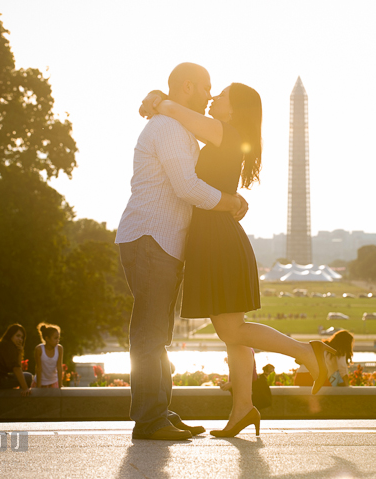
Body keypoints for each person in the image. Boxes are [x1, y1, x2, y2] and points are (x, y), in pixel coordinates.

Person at [140, 77, 336, 439]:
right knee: (234, 337)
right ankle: (243, 408)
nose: (214, 96)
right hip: (216, 238)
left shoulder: (222, 131)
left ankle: (310, 353)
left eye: (223, 95)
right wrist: (159, 102)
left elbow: (174, 111)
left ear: (235, 108)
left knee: (230, 329)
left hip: (217, 241)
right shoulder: (225, 134)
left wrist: (159, 101)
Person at [116, 63, 249, 441]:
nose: (210, 95)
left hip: (160, 240)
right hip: (150, 238)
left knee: (158, 333)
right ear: (188, 86)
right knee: (149, 332)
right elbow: (187, 187)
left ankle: (160, 412)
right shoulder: (169, 128)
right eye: (207, 87)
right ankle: (149, 419)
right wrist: (231, 201)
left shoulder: (176, 124)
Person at [0, 324, 32, 396]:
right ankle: (23, 400)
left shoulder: (3, 344)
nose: (20, 339)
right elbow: (17, 369)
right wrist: (25, 388)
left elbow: (18, 368)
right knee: (28, 377)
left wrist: (20, 353)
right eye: (17, 336)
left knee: (23, 377)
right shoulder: (8, 346)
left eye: (22, 337)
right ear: (10, 335)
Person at [33, 323, 63, 389]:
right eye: (55, 338)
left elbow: (59, 367)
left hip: (53, 382)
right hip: (40, 382)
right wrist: (38, 386)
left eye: (58, 338)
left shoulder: (59, 349)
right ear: (47, 338)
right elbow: (38, 368)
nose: (57, 340)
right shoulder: (39, 349)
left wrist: (60, 385)